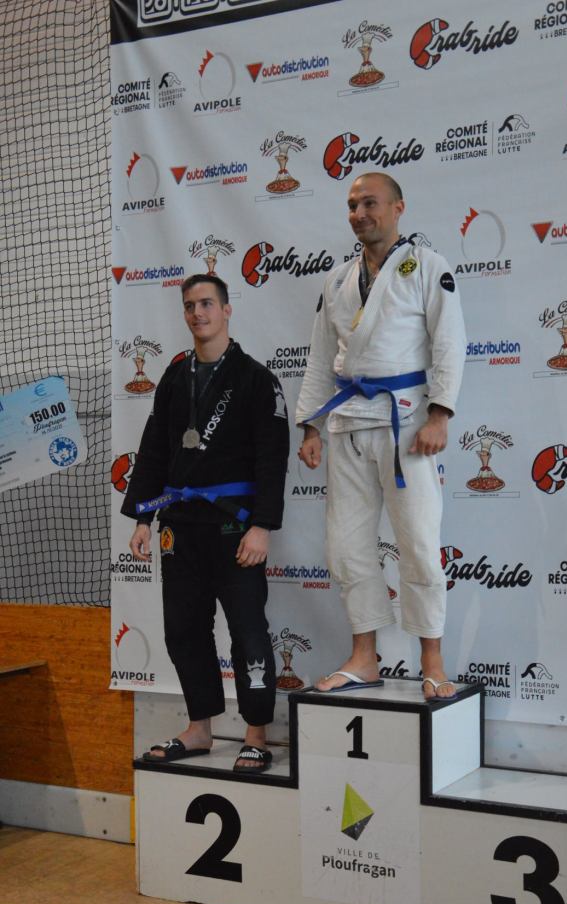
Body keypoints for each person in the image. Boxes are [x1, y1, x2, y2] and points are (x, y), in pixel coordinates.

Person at [295, 173, 466, 700]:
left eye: (370, 203)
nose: (359, 213)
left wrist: (440, 414)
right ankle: (364, 657)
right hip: (347, 422)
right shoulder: (338, 279)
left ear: (398, 207)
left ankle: (432, 660)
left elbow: (449, 342)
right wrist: (310, 425)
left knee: (418, 543)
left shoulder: (427, 266)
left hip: (406, 422)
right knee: (346, 547)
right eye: (352, 205)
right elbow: (322, 357)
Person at [123, 273, 289, 772]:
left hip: (235, 527)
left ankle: (256, 733)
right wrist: (143, 517)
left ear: (227, 309)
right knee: (183, 630)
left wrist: (262, 526)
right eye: (190, 306)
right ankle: (199, 728)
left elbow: (272, 459)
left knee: (247, 630)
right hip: (180, 524)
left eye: (207, 304)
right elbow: (155, 449)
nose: (198, 313)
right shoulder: (175, 378)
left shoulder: (257, 379)